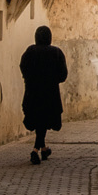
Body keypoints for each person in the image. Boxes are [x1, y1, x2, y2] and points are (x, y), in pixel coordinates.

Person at [19, 25, 67, 165]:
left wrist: (31, 79)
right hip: (50, 94)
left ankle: (43, 148)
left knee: (39, 121)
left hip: (32, 93)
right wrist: (51, 79)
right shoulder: (56, 53)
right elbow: (63, 75)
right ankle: (36, 150)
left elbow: (23, 68)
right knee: (44, 121)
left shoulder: (30, 52)